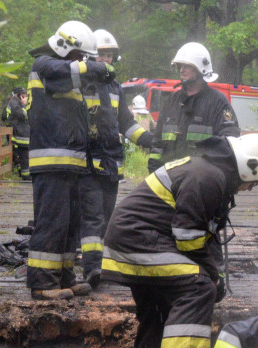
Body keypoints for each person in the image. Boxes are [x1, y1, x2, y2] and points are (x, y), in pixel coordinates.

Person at [102, 133, 258, 348]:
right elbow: (188, 236)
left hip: (136, 242)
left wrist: (216, 271)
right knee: (198, 288)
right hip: (139, 243)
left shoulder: (211, 174)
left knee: (158, 311)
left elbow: (206, 235)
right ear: (248, 167)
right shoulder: (207, 178)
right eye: (255, 182)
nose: (253, 188)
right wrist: (211, 275)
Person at [24, 20, 115, 300]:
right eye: (79, 55)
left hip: (71, 163)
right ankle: (42, 283)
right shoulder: (45, 66)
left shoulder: (63, 71)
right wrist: (98, 67)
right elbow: (69, 71)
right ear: (65, 46)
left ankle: (63, 276)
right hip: (50, 162)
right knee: (51, 222)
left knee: (69, 223)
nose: (80, 61)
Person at [80, 28, 155, 289]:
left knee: (106, 214)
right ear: (91, 55)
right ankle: (91, 269)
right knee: (92, 215)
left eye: (110, 55)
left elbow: (126, 122)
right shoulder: (79, 83)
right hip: (88, 162)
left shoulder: (115, 87)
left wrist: (148, 140)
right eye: (101, 54)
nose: (106, 60)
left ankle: (100, 263)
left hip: (111, 163)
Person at [147, 42, 240, 173]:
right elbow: (157, 143)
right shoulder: (172, 101)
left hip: (202, 181)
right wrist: (154, 174)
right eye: (180, 65)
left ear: (200, 69)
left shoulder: (218, 102)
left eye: (187, 66)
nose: (181, 70)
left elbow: (230, 141)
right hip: (170, 179)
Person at [2, 88, 30, 179]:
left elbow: (3, 116)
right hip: (19, 135)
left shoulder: (13, 103)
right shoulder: (15, 104)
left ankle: (21, 173)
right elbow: (24, 115)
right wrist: (25, 105)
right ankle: (25, 176)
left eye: (26, 95)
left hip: (18, 134)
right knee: (24, 155)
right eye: (23, 95)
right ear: (18, 95)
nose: (25, 97)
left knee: (20, 155)